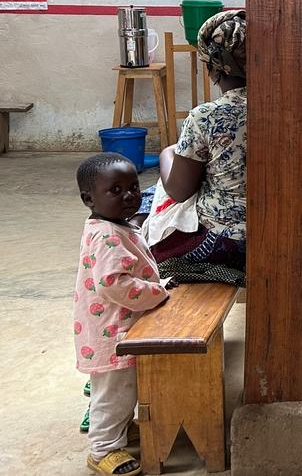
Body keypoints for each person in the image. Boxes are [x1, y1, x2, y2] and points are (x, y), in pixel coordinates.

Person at [74, 153, 172, 476]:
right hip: (111, 333)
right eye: (115, 190)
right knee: (114, 392)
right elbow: (115, 285)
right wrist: (157, 292)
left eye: (133, 187)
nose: (129, 195)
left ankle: (117, 427)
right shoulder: (106, 236)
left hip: (113, 328)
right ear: (89, 199)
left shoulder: (114, 224)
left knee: (122, 389)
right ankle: (103, 449)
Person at [153, 10, 249, 269]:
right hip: (277, 230)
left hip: (225, 241)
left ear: (212, 69)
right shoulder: (286, 108)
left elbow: (179, 190)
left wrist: (166, 154)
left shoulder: (205, 116)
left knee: (146, 238)